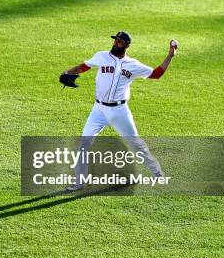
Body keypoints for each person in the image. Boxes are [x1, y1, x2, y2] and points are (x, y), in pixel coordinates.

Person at [61, 31, 178, 191]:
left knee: (136, 145)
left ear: (127, 45)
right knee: (84, 144)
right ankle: (79, 182)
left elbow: (156, 74)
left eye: (120, 42)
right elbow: (84, 66)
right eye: (115, 40)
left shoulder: (133, 64)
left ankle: (157, 173)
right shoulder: (101, 56)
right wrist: (68, 72)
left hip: (120, 111)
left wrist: (170, 56)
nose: (116, 43)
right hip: (99, 110)